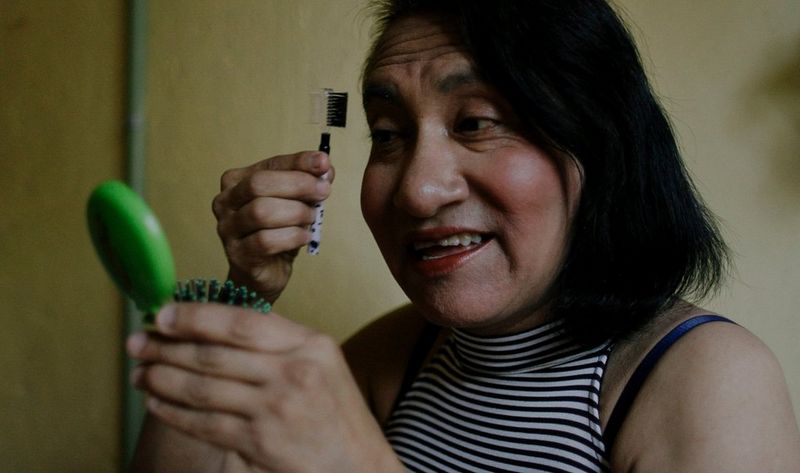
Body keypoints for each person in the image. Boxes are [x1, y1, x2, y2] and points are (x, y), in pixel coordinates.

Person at [126, 0, 800, 471]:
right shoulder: (399, 353)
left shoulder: (706, 381)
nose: (418, 189)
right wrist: (248, 288)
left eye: (475, 122)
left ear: (599, 146)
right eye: (388, 135)